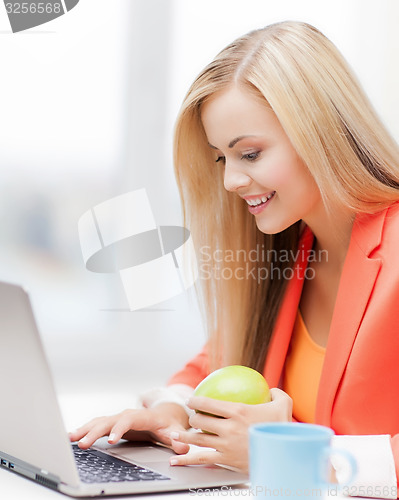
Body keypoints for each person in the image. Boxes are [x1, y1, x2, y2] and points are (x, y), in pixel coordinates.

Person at [69, 21, 399, 496]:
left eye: (250, 153)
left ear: (321, 133)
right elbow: (211, 366)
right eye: (223, 159)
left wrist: (295, 453)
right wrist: (170, 413)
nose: (230, 182)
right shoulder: (291, 252)